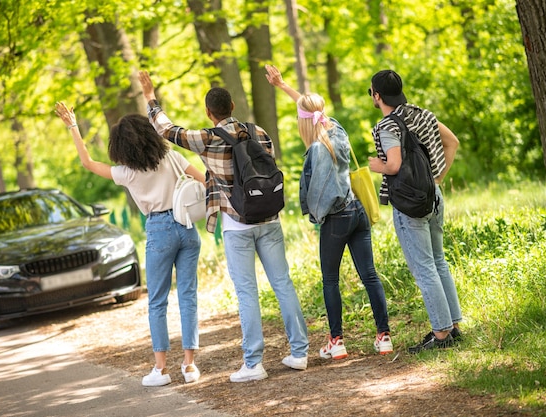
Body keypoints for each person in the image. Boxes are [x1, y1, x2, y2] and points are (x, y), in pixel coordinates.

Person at [138, 70, 309, 382]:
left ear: (209, 112)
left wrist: (150, 96)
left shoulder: (207, 139)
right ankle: (299, 352)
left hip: (236, 224)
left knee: (247, 292)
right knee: (283, 284)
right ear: (232, 105)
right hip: (270, 218)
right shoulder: (259, 132)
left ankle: (254, 364)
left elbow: (166, 130)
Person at [54, 103, 205, 386]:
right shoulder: (170, 156)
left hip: (160, 231)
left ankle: (161, 370)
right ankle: (189, 366)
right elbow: (204, 180)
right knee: (188, 297)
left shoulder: (127, 172)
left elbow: (87, 163)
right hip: (186, 227)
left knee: (157, 301)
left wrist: (73, 126)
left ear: (121, 147)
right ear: (149, 135)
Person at [265, 64, 393, 359]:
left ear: (303, 122)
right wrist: (283, 86)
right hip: (358, 211)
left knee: (330, 281)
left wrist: (316, 214)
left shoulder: (316, 151)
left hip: (337, 219)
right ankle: (384, 336)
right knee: (370, 275)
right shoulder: (337, 131)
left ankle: (337, 342)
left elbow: (320, 195)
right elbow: (311, 110)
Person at [366, 70, 463, 353]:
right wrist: (437, 179)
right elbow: (452, 142)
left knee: (424, 268)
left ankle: (441, 334)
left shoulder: (387, 125)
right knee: (439, 262)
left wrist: (377, 166)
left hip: (409, 203)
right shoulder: (423, 114)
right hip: (433, 194)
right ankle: (454, 326)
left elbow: (394, 165)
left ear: (377, 95)